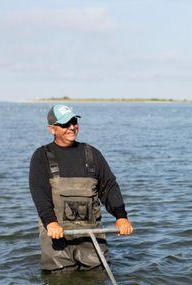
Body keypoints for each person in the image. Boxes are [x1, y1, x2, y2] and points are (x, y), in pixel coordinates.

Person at [29, 104, 133, 271]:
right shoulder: (41, 156)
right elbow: (39, 193)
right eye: (65, 124)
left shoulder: (92, 154)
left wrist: (121, 216)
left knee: (98, 282)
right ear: (52, 129)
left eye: (74, 121)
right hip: (57, 236)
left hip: (91, 236)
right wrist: (51, 223)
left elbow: (109, 187)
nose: (71, 127)